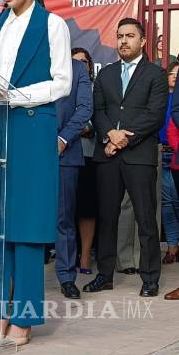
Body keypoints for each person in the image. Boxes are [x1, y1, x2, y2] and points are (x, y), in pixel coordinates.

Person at [0, 0, 72, 345]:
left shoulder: (52, 24)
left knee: (28, 226)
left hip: (33, 129)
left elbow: (62, 82)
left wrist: (14, 97)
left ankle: (25, 316)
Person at [83, 18, 167, 298]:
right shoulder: (106, 74)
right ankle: (105, 275)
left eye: (130, 36)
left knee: (146, 219)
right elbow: (98, 110)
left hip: (139, 156)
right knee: (107, 217)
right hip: (107, 156)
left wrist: (123, 139)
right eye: (120, 36)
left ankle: (150, 277)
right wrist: (109, 134)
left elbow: (154, 115)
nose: (123, 41)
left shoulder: (155, 74)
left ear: (142, 41)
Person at [55, 59, 93, 299]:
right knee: (27, 215)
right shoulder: (32, 63)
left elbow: (85, 109)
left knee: (64, 218)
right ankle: (22, 276)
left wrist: (63, 138)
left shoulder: (77, 69)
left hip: (65, 153)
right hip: (29, 152)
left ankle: (67, 277)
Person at [72, 48, 97, 274]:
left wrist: (80, 128)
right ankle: (67, 254)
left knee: (86, 208)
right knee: (65, 209)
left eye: (83, 61)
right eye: (75, 61)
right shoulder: (61, 87)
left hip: (87, 154)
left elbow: (96, 121)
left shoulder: (96, 88)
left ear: (90, 65)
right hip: (62, 154)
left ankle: (86, 256)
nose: (79, 65)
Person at [163, 61, 179, 263]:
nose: (175, 76)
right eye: (172, 73)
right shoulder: (162, 97)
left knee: (176, 201)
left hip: (176, 154)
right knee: (167, 203)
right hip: (165, 153)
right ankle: (172, 245)